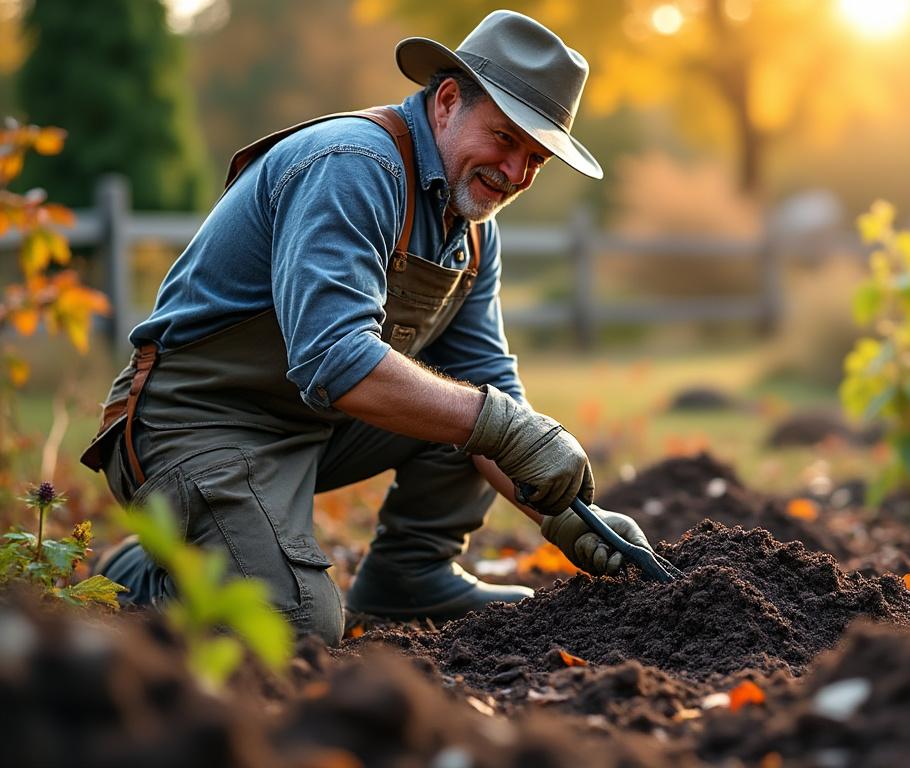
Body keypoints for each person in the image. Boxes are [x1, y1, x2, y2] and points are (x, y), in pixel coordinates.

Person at [80, 10, 653, 646]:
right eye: (505, 138)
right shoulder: (352, 166)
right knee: (292, 624)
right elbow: (335, 360)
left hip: (309, 425)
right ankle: (142, 573)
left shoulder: (471, 234)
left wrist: (566, 516)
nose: (515, 172)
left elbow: (486, 383)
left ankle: (410, 576)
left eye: (536, 160)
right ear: (446, 102)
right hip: (196, 424)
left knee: (474, 406)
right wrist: (505, 426)